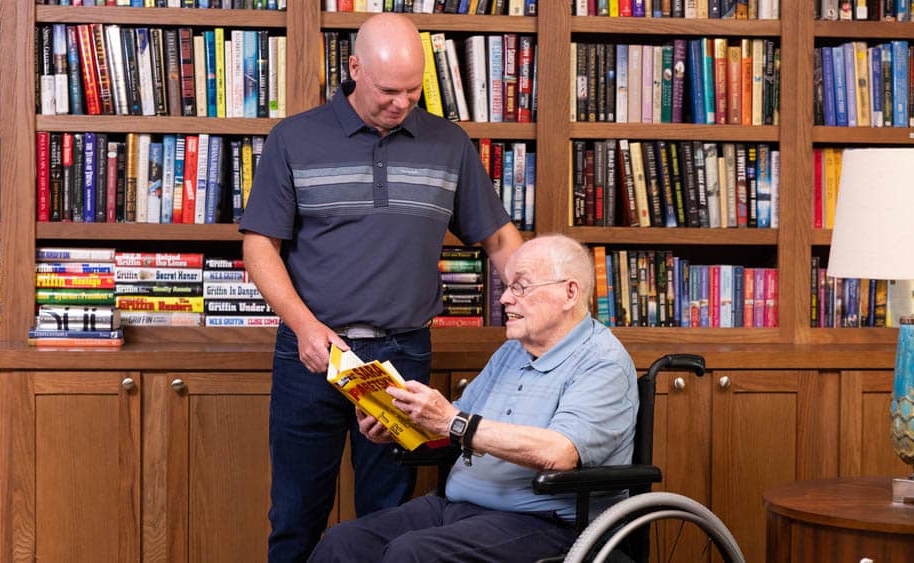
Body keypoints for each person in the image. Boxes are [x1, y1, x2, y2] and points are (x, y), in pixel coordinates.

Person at [239, 12, 523, 561]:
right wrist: (303, 326)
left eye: (413, 91)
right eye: (389, 91)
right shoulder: (293, 139)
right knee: (295, 514)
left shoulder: (450, 143)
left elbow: (500, 241)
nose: (402, 103)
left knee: (391, 517)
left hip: (402, 356)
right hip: (312, 354)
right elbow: (259, 246)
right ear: (354, 69)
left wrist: (545, 300)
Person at [307, 234, 638, 563]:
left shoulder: (602, 361)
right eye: (507, 287)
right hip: (459, 508)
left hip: (546, 522)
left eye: (520, 287)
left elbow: (560, 453)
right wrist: (396, 424)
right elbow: (453, 425)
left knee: (411, 553)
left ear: (569, 293)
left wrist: (453, 420)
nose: (505, 299)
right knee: (343, 542)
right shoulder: (511, 352)